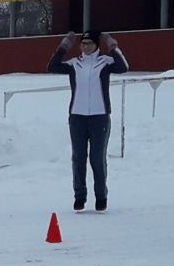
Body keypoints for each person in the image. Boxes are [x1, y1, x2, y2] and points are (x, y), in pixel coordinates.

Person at [46, 28, 129, 210]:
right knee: (78, 158)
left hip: (99, 117)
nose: (86, 47)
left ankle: (101, 196)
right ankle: (79, 196)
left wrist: (112, 45)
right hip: (77, 117)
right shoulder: (75, 64)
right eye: (83, 44)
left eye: (90, 43)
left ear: (96, 45)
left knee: (97, 158)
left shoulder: (105, 62)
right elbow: (52, 66)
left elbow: (123, 67)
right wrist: (64, 46)